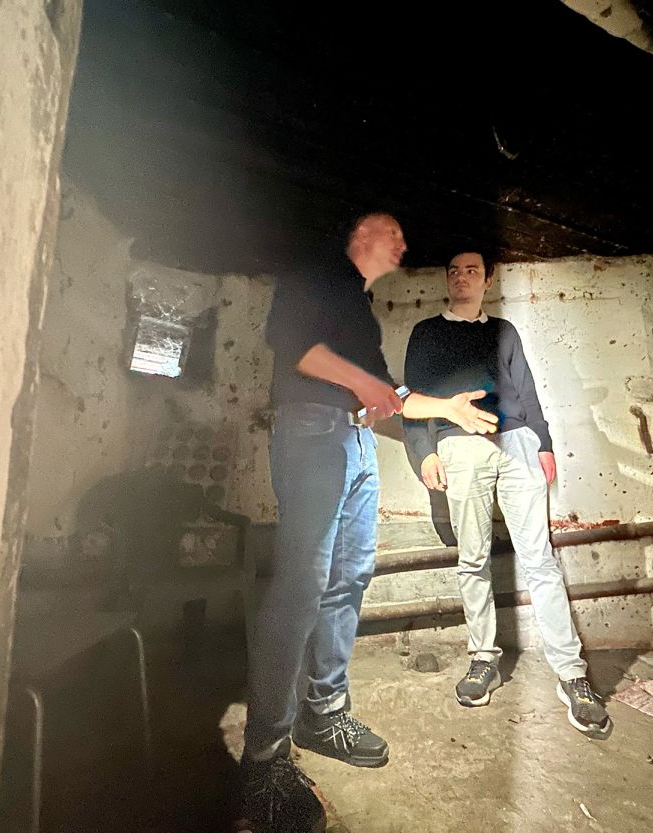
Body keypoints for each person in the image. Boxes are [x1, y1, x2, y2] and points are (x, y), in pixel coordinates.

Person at [237, 217, 499, 831]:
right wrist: (362, 384)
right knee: (300, 589)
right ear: (360, 237)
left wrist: (447, 410)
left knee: (348, 580)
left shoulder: (360, 309)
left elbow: (387, 395)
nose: (403, 246)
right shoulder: (316, 273)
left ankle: (324, 714)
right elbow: (293, 345)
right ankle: (263, 761)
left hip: (354, 447)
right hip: (310, 433)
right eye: (393, 235)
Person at [402, 250, 613, 740]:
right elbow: (409, 398)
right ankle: (483, 659)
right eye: (453, 270)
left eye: (471, 270)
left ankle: (572, 675)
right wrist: (423, 454)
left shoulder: (505, 331)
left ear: (488, 280)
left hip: (516, 441)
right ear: (446, 279)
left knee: (539, 559)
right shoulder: (427, 333)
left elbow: (529, 389)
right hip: (457, 444)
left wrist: (544, 441)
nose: (461, 277)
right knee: (472, 560)